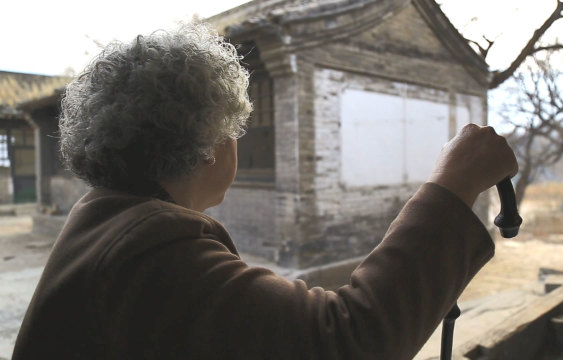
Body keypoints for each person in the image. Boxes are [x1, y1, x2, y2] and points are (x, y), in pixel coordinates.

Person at [12, 24, 517, 360]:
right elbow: (345, 339)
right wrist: (452, 186)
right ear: (208, 145)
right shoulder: (151, 248)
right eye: (234, 128)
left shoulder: (103, 223)